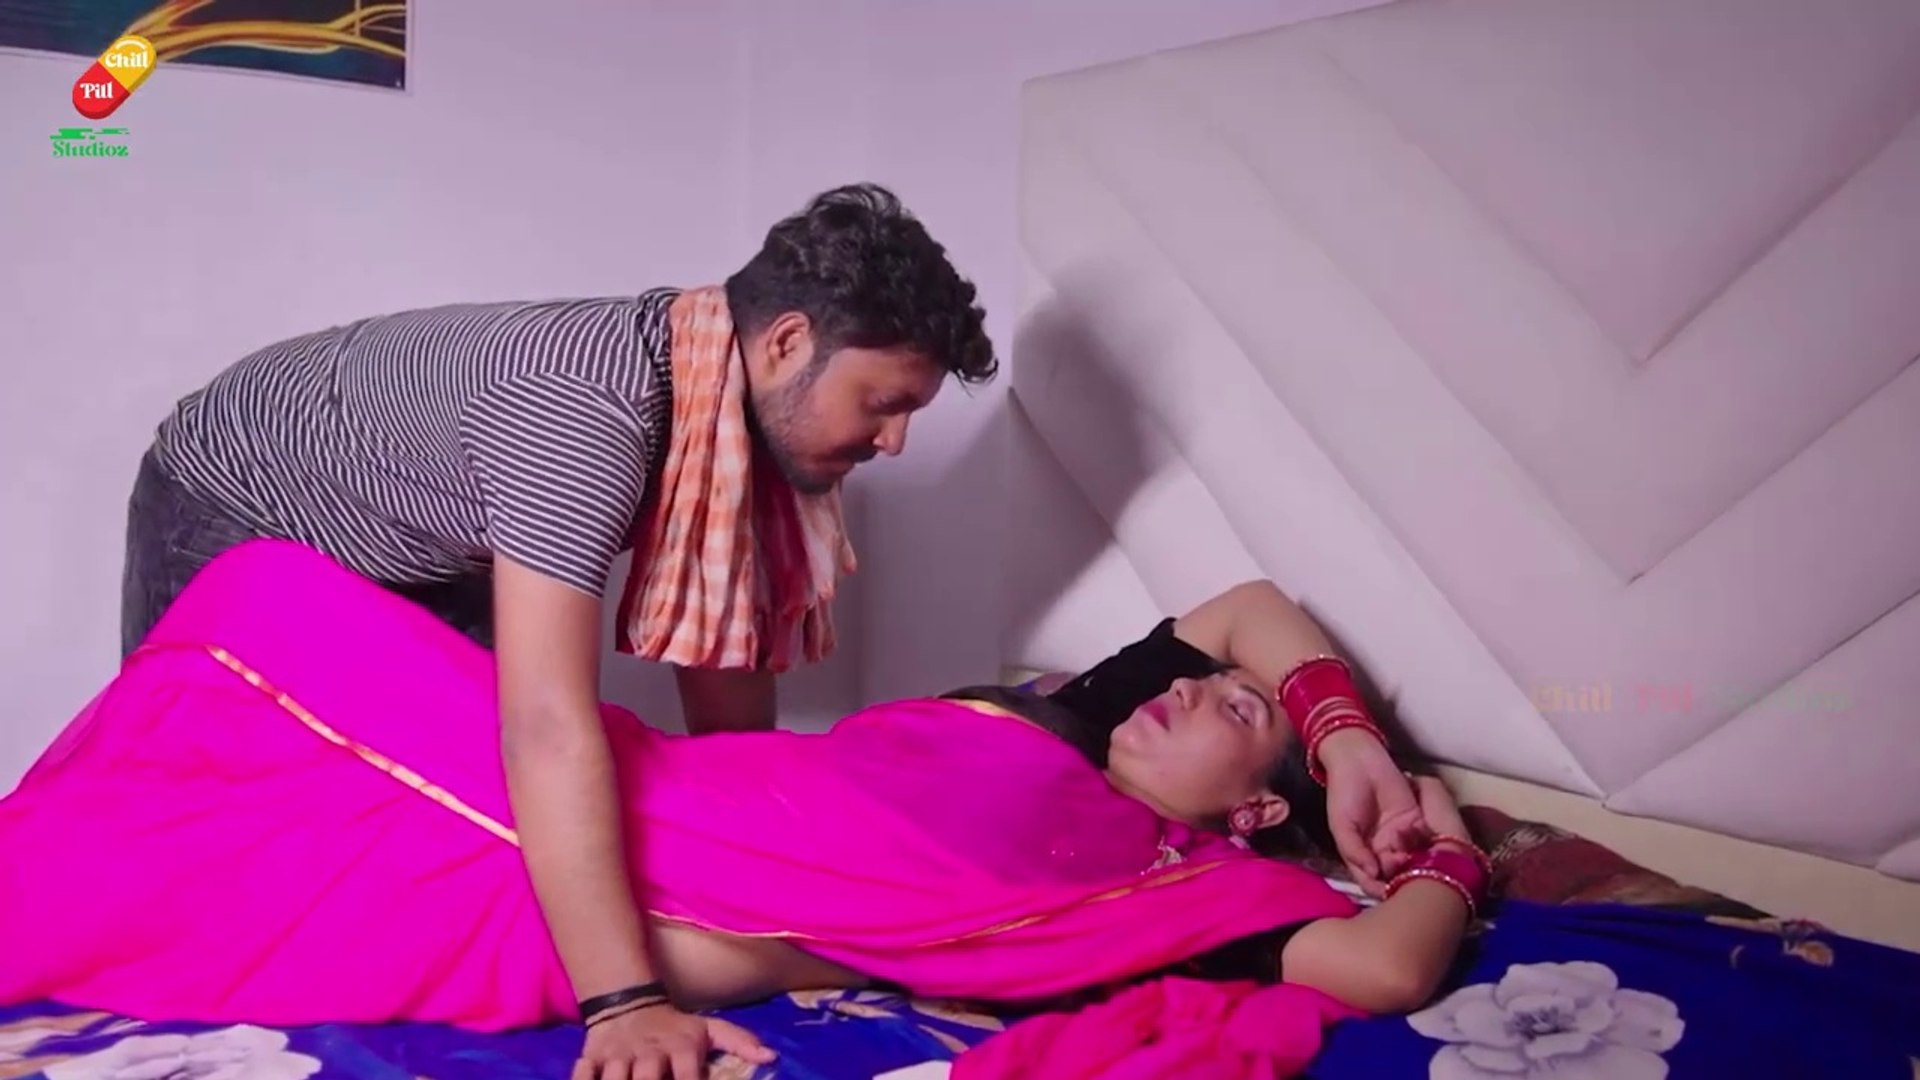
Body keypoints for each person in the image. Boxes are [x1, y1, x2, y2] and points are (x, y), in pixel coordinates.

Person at [0, 540, 1469, 1080]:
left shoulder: (1178, 893)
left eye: (1234, 714)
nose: (1190, 690)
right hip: (590, 785)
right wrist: (1339, 731)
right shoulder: (1064, 717)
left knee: (96, 885)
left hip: (555, 911)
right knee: (261, 590)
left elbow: (1388, 965)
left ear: (1252, 818)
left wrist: (1440, 831)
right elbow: (1247, 602)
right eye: (1199, 684)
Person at [114, 185, 996, 1073]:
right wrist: (625, 1003)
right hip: (240, 505)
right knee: (225, 824)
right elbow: (543, 724)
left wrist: (761, 849)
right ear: (788, 342)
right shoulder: (585, 413)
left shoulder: (724, 409)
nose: (893, 442)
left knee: (469, 832)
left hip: (428, 537)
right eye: (883, 402)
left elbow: (719, 666)